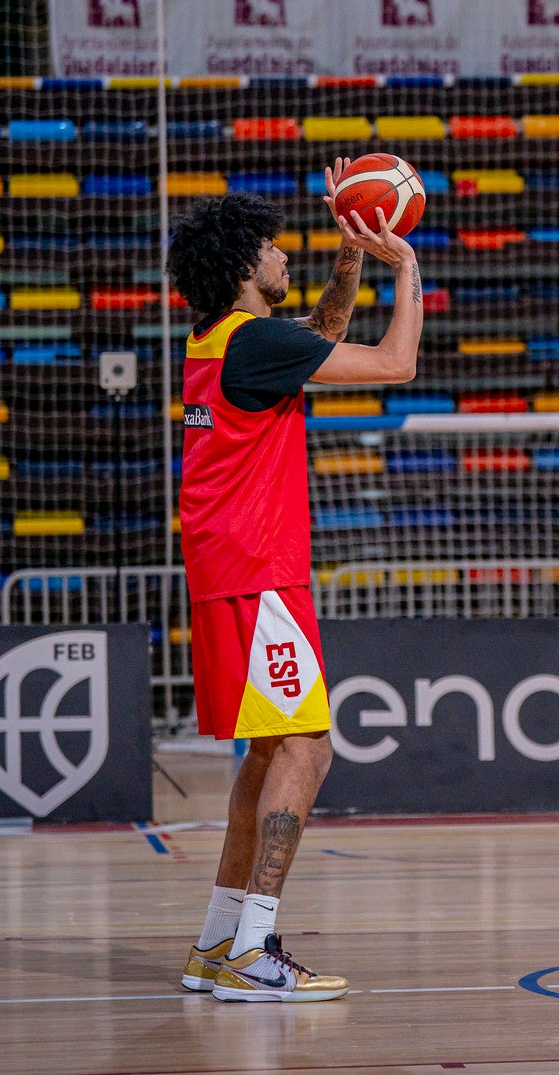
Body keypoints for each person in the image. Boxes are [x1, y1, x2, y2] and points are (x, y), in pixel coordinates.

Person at [166, 164, 422, 1002]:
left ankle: (216, 944)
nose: (284, 254)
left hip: (227, 571)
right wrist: (405, 267)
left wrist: (349, 260)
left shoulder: (219, 341)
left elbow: (317, 329)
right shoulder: (253, 341)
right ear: (245, 264)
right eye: (273, 247)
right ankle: (252, 948)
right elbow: (395, 363)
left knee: (270, 751)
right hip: (259, 573)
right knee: (310, 748)